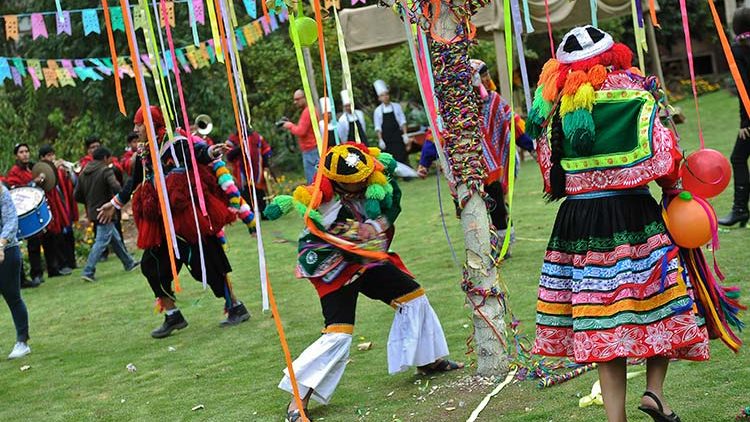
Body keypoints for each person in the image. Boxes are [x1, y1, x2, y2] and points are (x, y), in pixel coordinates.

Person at [527, 26, 711, 422]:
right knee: (658, 302)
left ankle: (616, 419)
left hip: (579, 224)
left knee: (601, 319)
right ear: (613, 54)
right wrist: (674, 190)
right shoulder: (637, 92)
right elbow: (666, 156)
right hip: (634, 215)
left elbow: (548, 173)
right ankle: (654, 394)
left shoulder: (553, 107)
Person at [263, 143, 463, 422]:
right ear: (339, 182)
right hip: (333, 267)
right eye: (355, 181)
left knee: (413, 297)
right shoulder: (322, 201)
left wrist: (374, 228)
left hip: (367, 260)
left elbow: (384, 217)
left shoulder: (373, 185)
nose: (362, 183)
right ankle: (298, 400)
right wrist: (364, 234)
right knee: (338, 333)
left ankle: (428, 361)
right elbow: (342, 236)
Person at [97, 106, 251, 338]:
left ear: (150, 124)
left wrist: (211, 151)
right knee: (151, 266)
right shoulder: (144, 152)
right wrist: (115, 203)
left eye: (138, 124)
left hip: (187, 220)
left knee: (207, 263)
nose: (135, 128)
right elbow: (134, 182)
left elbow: (198, 152)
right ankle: (173, 315)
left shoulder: (175, 143)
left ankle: (235, 307)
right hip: (163, 224)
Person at [418, 60, 535, 254]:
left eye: (487, 74)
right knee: (471, 208)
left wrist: (531, 147)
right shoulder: (452, 108)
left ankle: (503, 245)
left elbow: (513, 123)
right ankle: (480, 247)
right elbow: (436, 134)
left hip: (491, 168)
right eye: (484, 75)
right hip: (464, 169)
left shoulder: (494, 100)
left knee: (496, 204)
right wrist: (424, 162)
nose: (488, 78)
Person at [74, 147, 139, 283]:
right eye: (109, 158)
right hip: (106, 211)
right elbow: (115, 186)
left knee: (115, 238)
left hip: (92, 211)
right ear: (105, 158)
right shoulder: (105, 170)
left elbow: (77, 195)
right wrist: (120, 198)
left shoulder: (84, 171)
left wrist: (90, 203)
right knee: (101, 241)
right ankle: (88, 270)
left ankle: (129, 262)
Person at [719, 6, 750, 227]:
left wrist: (745, 122)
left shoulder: (738, 49)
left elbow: (743, 88)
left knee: (738, 158)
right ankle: (740, 209)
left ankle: (740, 209)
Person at [5, 143, 47, 288]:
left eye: (27, 151)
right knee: (16, 245)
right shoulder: (14, 171)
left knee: (35, 242)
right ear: (16, 155)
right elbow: (14, 190)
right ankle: (21, 279)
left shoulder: (33, 168)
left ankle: (37, 273)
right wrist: (32, 183)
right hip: (19, 213)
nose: (25, 154)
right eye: (21, 152)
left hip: (31, 210)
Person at [0, 182, 31, 359]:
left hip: (7, 251)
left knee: (12, 296)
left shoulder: (2, 193)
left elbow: (11, 221)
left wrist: (1, 245)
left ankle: (22, 341)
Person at [38, 145, 74, 276]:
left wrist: (67, 171)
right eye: (48, 155)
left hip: (61, 206)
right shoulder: (40, 171)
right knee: (51, 240)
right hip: (49, 209)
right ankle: (55, 267)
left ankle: (68, 263)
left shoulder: (59, 170)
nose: (52, 158)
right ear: (42, 158)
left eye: (52, 155)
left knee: (63, 237)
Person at [226, 130, 273, 217]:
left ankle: (264, 213)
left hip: (257, 170)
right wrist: (239, 148)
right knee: (246, 193)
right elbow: (229, 156)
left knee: (259, 192)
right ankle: (250, 215)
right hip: (241, 173)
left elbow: (265, 151)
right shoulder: (232, 139)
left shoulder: (257, 137)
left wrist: (266, 165)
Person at [282, 89, 319, 184]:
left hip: (310, 150)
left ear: (305, 98)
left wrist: (289, 125)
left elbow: (301, 131)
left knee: (313, 182)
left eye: (297, 99)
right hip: (312, 150)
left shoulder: (308, 112)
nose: (295, 102)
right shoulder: (310, 110)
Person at [373, 80, 410, 166]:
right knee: (390, 157)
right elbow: (378, 127)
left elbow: (402, 121)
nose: (385, 97)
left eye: (386, 94)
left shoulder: (396, 106)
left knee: (402, 154)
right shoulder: (377, 111)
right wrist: (380, 139)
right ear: (379, 98)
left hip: (397, 135)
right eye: (382, 95)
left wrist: (405, 134)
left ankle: (407, 176)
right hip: (387, 138)